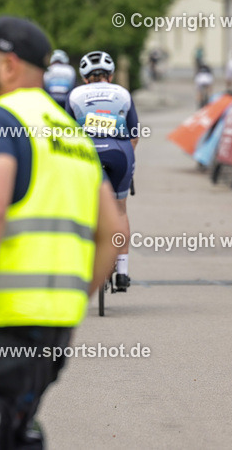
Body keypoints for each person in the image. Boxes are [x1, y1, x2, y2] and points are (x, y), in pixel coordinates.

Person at [0, 16, 122, 449]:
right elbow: (114, 233)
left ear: (9, 65)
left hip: (1, 324)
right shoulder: (72, 136)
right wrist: (74, 301)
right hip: (55, 332)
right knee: (15, 433)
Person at [67, 49, 138, 292]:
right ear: (111, 75)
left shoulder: (75, 94)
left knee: (81, 208)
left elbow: (66, 133)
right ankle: (123, 272)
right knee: (119, 210)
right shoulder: (122, 93)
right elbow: (134, 135)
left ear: (84, 77)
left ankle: (84, 263)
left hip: (87, 155)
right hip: (119, 154)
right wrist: (128, 164)